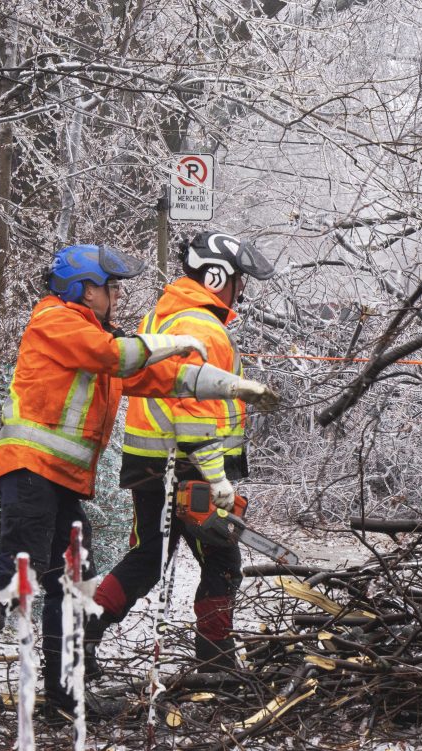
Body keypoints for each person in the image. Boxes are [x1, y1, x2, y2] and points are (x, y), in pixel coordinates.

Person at [0, 244, 276, 722]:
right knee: (23, 564)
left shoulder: (96, 335)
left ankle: (63, 693)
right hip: (31, 469)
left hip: (60, 478)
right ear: (82, 288)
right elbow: (115, 356)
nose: (117, 295)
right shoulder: (55, 321)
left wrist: (232, 386)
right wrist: (172, 343)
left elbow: (159, 378)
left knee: (69, 576)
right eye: (110, 287)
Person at [85, 231, 278, 677]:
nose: (241, 289)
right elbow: (193, 410)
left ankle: (82, 634)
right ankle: (215, 659)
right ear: (217, 276)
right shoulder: (200, 325)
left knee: (149, 556)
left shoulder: (166, 316)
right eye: (238, 279)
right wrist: (216, 479)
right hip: (187, 463)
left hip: (153, 461)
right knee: (223, 559)